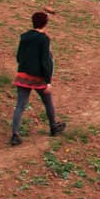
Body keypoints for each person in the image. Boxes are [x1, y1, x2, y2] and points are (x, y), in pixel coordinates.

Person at [11, 11, 66, 145]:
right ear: (45, 23)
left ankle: (15, 134)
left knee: (20, 105)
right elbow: (45, 61)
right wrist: (48, 81)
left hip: (23, 75)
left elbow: (19, 56)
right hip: (38, 77)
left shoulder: (24, 37)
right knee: (48, 102)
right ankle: (53, 126)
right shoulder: (44, 39)